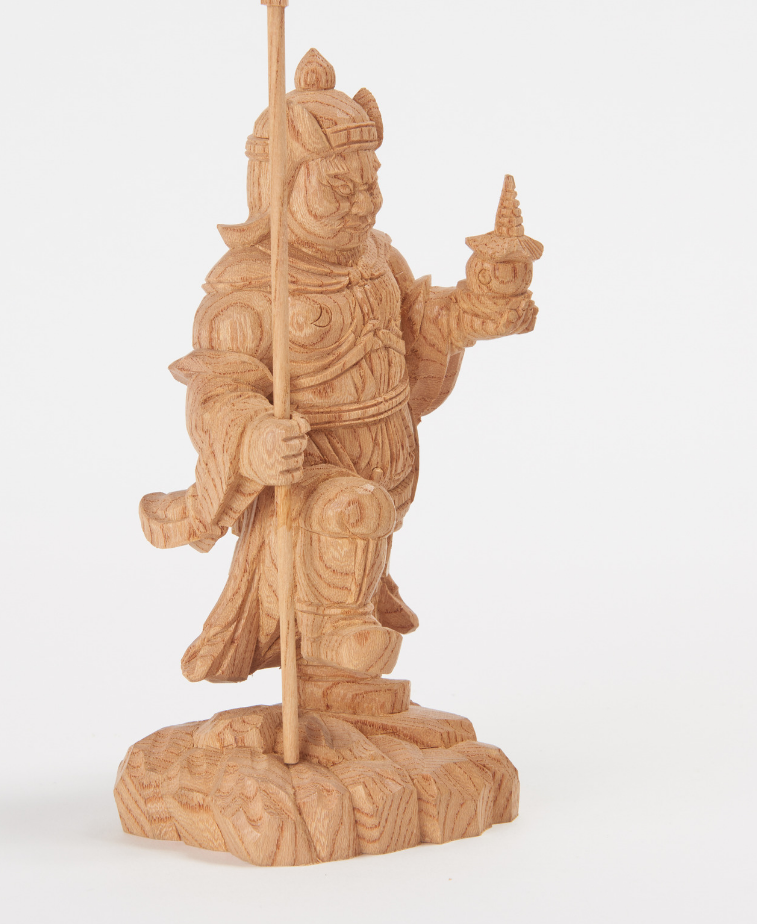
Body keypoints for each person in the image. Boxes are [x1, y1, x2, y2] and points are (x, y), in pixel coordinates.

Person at [140, 48, 540, 684]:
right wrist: (254, 436)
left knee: (363, 522)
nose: (364, 205)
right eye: (338, 188)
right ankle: (333, 630)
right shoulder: (251, 289)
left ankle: (340, 650)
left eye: (370, 184)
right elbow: (220, 389)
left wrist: (473, 310)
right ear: (280, 184)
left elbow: (416, 326)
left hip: (386, 461)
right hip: (313, 474)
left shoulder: (377, 258)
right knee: (348, 513)